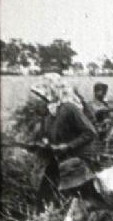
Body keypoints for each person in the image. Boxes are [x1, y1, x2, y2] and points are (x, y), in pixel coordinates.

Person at [30, 75, 99, 209]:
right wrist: (43, 144)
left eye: (43, 93)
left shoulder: (69, 108)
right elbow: (50, 135)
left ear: (53, 90)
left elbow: (90, 132)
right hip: (60, 158)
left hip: (78, 158)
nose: (41, 97)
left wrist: (68, 146)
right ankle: (44, 215)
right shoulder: (50, 112)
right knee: (45, 192)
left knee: (74, 197)